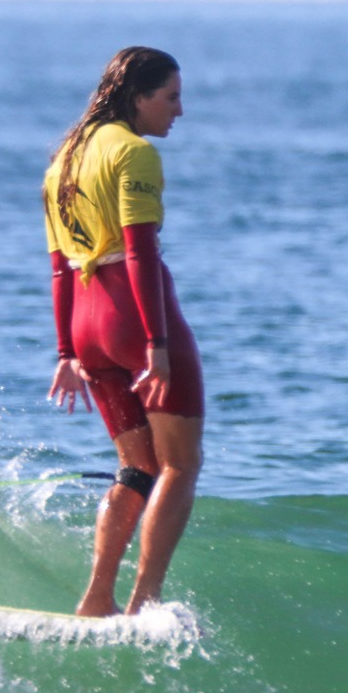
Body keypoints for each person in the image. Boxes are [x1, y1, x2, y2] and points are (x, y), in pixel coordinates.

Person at [42, 47, 204, 617]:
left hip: (86, 326)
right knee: (180, 466)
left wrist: (66, 351)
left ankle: (96, 598)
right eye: (171, 97)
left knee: (138, 467)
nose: (179, 111)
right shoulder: (133, 153)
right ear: (139, 97)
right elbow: (137, 252)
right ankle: (145, 602)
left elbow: (60, 267)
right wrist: (157, 346)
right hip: (132, 319)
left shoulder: (63, 159)